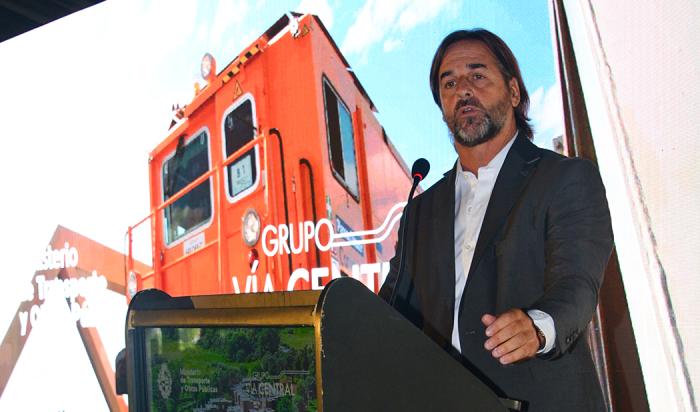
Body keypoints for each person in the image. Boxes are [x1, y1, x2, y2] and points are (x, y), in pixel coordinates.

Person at [379, 29, 613, 411]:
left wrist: (538, 326)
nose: (463, 90)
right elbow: (390, 310)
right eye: (449, 82)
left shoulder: (565, 178)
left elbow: (577, 284)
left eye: (478, 74)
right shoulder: (420, 211)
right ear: (441, 106)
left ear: (514, 92)